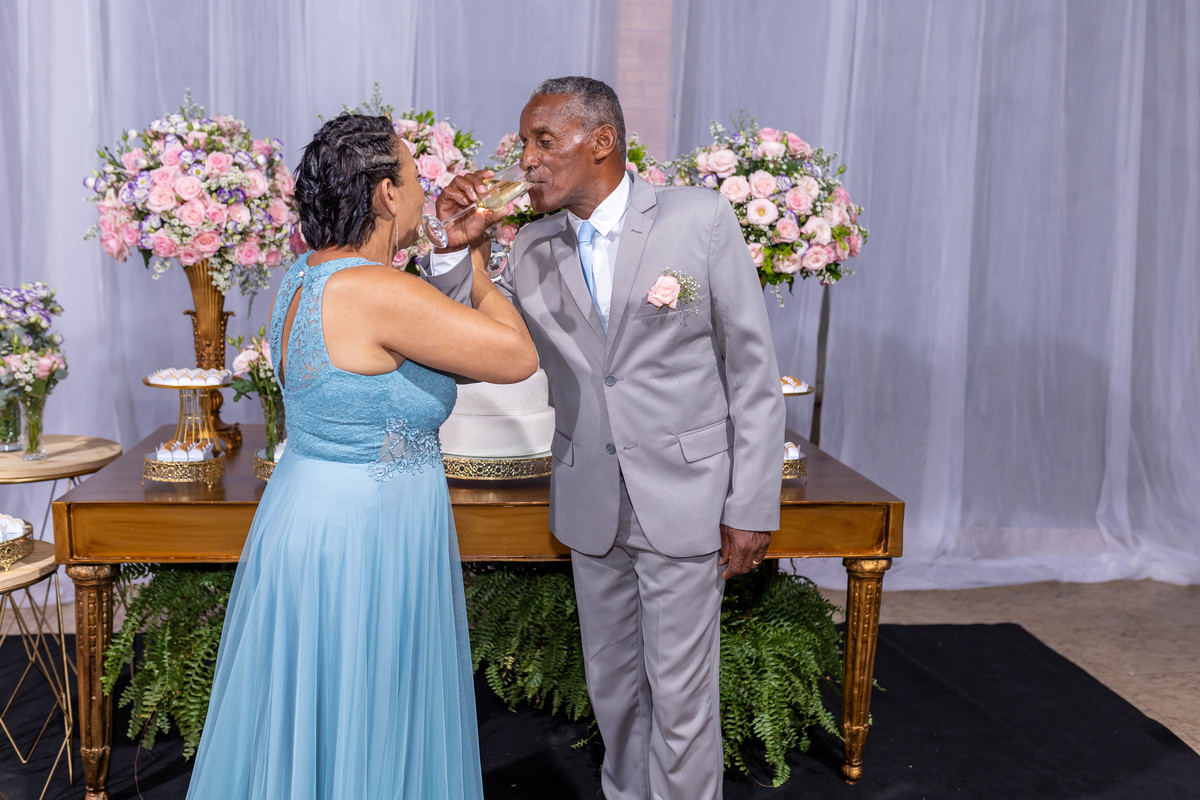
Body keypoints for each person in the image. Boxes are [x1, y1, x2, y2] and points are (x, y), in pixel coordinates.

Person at [429, 77, 785, 799]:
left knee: (681, 702)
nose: (526, 159)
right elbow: (464, 341)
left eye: (543, 141)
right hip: (590, 500)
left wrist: (751, 503)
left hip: (685, 498)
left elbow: (752, 371)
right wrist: (453, 252)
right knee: (614, 694)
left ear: (601, 141)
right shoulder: (532, 246)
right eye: (523, 143)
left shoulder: (699, 218)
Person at [186, 113, 536, 799]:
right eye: (414, 174)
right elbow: (515, 356)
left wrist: (445, 251)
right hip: (365, 532)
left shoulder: (306, 275)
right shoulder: (379, 291)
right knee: (366, 712)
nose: (423, 188)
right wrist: (476, 263)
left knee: (321, 715)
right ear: (385, 193)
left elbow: (417, 354)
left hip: (311, 513)